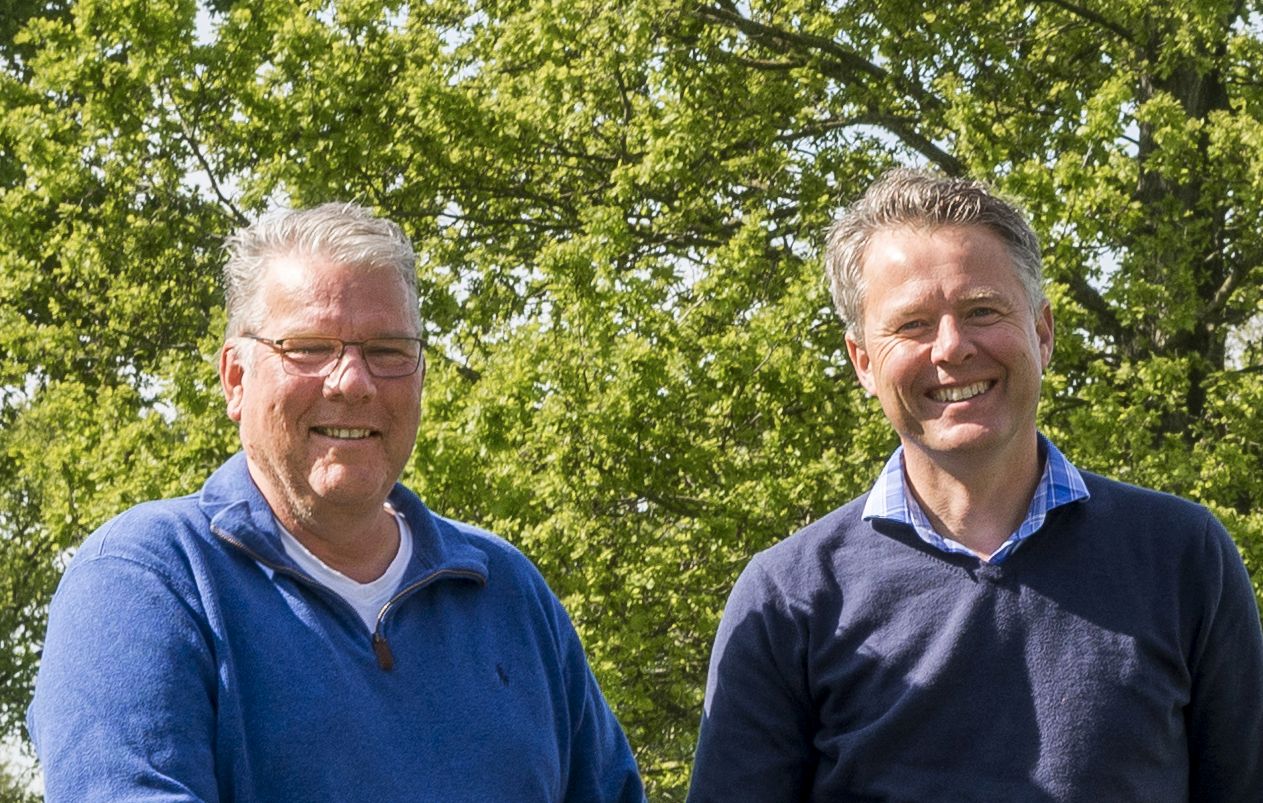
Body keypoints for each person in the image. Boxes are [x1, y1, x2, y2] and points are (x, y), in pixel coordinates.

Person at [28, 203, 646, 802]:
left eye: (387, 352)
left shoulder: (505, 591)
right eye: (309, 347)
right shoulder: (150, 581)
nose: (352, 381)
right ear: (235, 380)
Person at [687, 169, 1263, 801]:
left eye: (982, 311)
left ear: (1043, 334)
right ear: (862, 363)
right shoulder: (790, 598)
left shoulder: (1182, 557)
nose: (952, 348)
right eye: (911, 325)